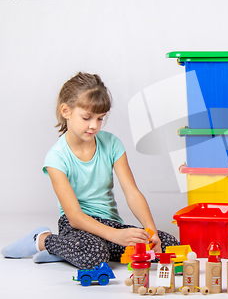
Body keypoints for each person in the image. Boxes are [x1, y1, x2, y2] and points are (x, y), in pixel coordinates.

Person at [1, 72, 179, 269]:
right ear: (66, 111)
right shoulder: (56, 158)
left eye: (100, 118)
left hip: (110, 224)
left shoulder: (112, 144)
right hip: (76, 226)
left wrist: (151, 232)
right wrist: (116, 236)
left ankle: (71, 251)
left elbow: (132, 193)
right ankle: (44, 240)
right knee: (96, 257)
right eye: (86, 117)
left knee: (169, 244)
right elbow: (75, 216)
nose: (94, 125)